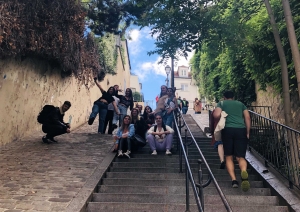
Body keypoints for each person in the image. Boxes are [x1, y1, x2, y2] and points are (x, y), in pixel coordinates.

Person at [213, 91, 251, 192]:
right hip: (241, 130)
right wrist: (247, 132)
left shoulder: (221, 103)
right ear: (233, 97)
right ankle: (243, 171)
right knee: (240, 156)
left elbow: (216, 115)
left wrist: (220, 113)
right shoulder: (241, 104)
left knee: (229, 156)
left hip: (228, 130)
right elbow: (247, 117)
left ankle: (234, 180)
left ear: (224, 97)